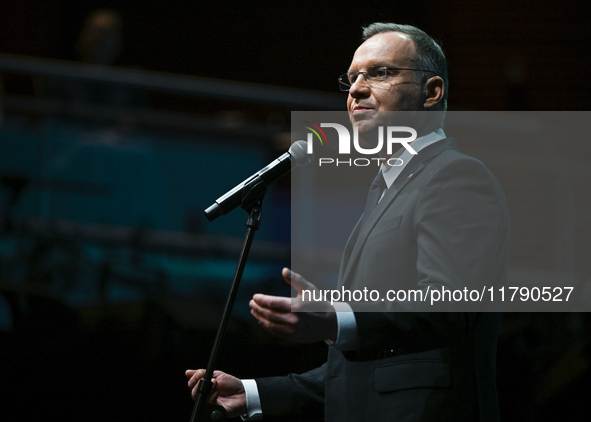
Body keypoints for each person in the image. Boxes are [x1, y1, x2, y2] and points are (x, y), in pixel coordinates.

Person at [187, 22, 510, 421]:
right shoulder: (385, 191)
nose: (356, 89)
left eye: (380, 72)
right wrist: (255, 393)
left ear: (432, 92)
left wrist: (335, 318)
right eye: (352, 77)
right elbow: (367, 368)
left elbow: (448, 305)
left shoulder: (456, 176)